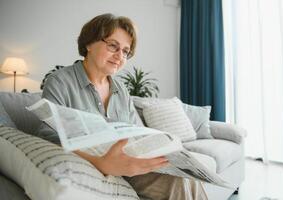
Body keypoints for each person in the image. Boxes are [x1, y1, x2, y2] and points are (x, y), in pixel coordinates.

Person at [39, 13, 208, 200]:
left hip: (130, 164)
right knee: (177, 182)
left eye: (126, 51)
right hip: (97, 165)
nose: (120, 56)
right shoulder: (60, 82)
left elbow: (137, 132)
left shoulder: (121, 88)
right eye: (113, 46)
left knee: (187, 177)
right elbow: (48, 137)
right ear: (88, 44)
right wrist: (101, 163)